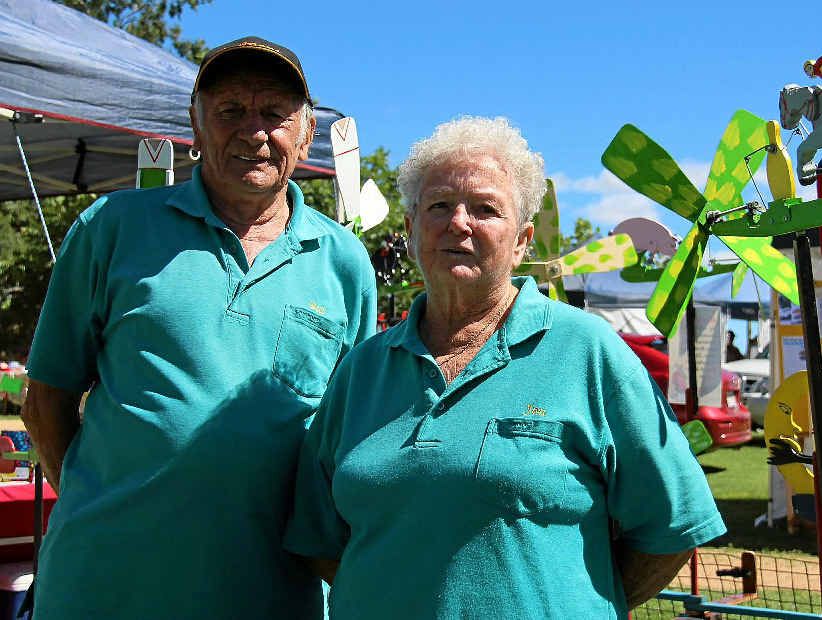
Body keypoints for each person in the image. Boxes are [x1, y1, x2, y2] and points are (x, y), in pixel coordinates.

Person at [284, 117, 725, 619]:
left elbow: (670, 530)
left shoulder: (589, 351)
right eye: (439, 206)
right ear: (409, 230)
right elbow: (320, 537)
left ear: (522, 240)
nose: (458, 223)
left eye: (486, 209)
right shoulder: (362, 369)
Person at [21, 37, 376, 619]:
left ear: (306, 131)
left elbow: (354, 435)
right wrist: (99, 500)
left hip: (273, 595)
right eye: (230, 111)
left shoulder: (343, 262)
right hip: (103, 587)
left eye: (274, 115)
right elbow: (46, 399)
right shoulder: (112, 229)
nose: (254, 131)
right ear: (195, 123)